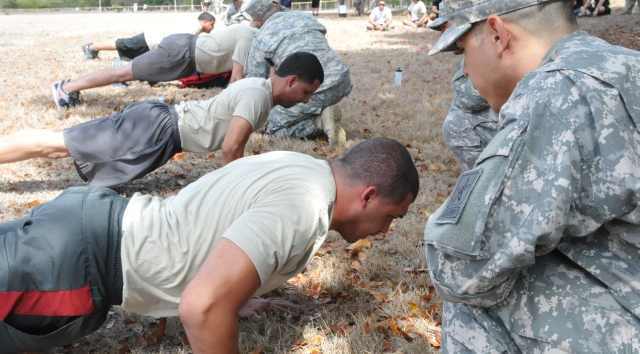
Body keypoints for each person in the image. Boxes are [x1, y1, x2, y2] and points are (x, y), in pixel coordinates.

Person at [0, 136, 420, 353]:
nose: (384, 231)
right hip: (75, 265)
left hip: (91, 220)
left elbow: (210, 214)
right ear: (367, 195)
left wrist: (237, 292)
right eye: (390, 216)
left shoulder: (304, 169)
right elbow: (200, 306)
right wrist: (220, 300)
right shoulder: (306, 208)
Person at [425, 0, 640, 353]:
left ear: (497, 34)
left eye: (463, 50)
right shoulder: (621, 63)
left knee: (475, 299)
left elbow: (460, 264)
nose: (464, 69)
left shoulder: (553, 94)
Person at [2, 53, 323, 187]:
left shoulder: (260, 91)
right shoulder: (258, 95)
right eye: (307, 92)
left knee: (60, 147)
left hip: (161, 132)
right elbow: (230, 148)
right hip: (156, 129)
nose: (306, 100)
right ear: (292, 80)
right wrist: (231, 193)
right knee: (55, 145)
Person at [241, 0, 353, 147]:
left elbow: (254, 82)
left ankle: (319, 122)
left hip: (308, 87)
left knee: (270, 126)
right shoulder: (306, 17)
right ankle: (321, 112)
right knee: (301, 106)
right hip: (342, 80)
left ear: (258, 21)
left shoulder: (262, 36)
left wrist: (250, 121)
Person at [52, 24, 257, 109]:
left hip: (183, 56)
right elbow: (236, 81)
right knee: (123, 74)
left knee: (125, 72)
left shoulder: (250, 34)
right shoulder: (249, 36)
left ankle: (71, 86)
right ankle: (66, 88)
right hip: (181, 54)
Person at [428, 6, 498, 170]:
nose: (442, 35)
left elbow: (470, 99)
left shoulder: (484, 46)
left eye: (445, 28)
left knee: (456, 124)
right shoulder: (480, 42)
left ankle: (487, 181)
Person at [80, 12, 216, 60]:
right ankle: (91, 47)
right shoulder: (194, 28)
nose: (212, 28)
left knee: (129, 51)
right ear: (204, 22)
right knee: (123, 44)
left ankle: (94, 48)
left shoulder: (193, 26)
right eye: (212, 24)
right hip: (151, 39)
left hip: (153, 39)